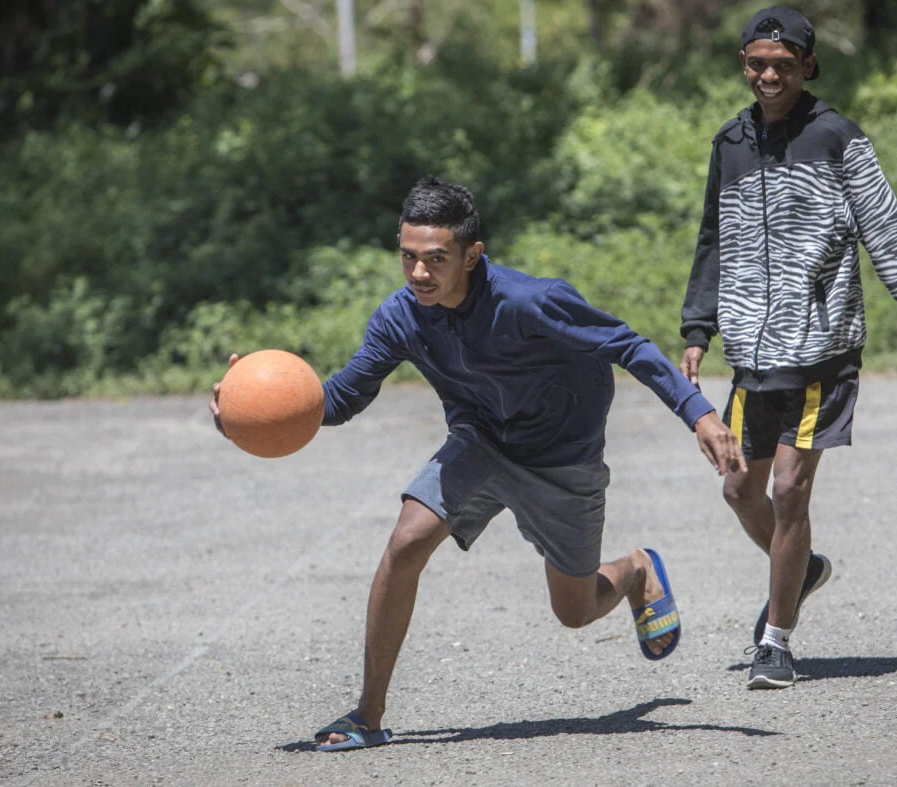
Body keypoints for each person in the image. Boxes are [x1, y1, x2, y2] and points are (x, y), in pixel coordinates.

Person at [211, 176, 746, 750]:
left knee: (577, 609)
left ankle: (636, 569)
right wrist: (249, 412)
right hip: (481, 441)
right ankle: (367, 715)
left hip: (562, 455)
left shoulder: (530, 301)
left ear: (471, 255)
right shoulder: (401, 317)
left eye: (436, 260)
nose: (419, 274)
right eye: (409, 257)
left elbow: (629, 346)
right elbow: (337, 400)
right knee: (405, 542)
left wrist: (701, 415)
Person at [678, 7, 897, 690]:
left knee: (789, 488)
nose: (768, 76)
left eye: (783, 66)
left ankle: (777, 639)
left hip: (822, 352)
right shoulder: (730, 142)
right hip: (753, 356)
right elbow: (712, 237)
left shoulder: (838, 140)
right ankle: (805, 567)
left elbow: (891, 235)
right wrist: (698, 327)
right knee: (738, 488)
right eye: (757, 64)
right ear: (743, 64)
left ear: (808, 66)